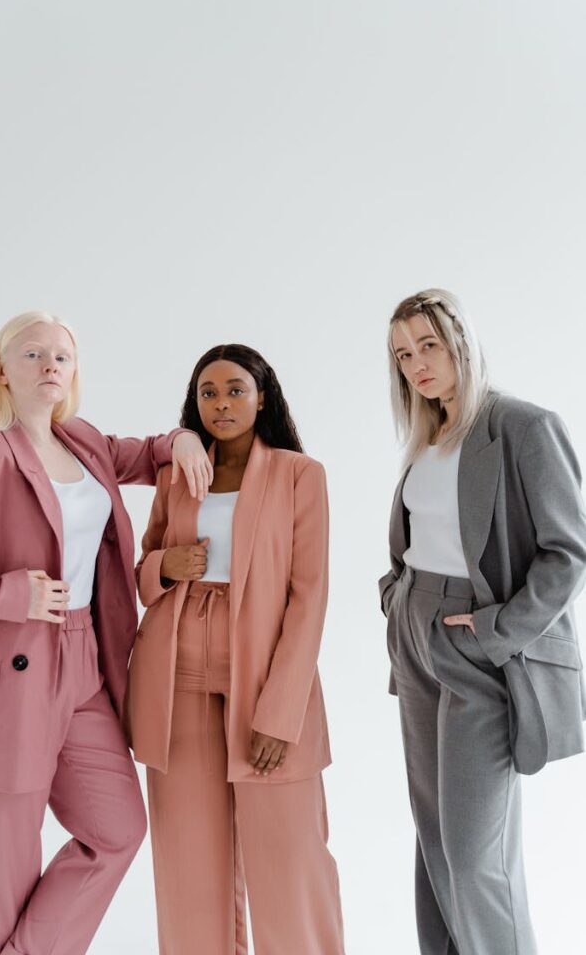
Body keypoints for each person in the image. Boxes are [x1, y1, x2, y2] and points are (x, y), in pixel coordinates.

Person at [0, 310, 212, 955]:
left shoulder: (85, 443)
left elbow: (149, 453)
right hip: (2, 679)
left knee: (117, 830)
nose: (50, 365)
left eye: (62, 357)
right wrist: (7, 596)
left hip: (84, 664)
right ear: (3, 371)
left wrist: (183, 437)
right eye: (33, 354)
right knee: (3, 881)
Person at [379, 288, 586, 955]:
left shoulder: (523, 427)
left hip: (477, 640)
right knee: (436, 843)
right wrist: (394, 598)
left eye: (428, 345)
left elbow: (567, 552)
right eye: (402, 354)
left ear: (461, 342)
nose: (416, 364)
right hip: (415, 635)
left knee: (475, 857)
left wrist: (500, 631)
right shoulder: (427, 436)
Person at [125, 343, 345, 955]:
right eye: (209, 392)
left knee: (289, 860)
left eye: (235, 390)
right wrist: (165, 566)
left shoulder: (300, 475)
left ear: (262, 397)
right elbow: (142, 573)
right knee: (188, 865)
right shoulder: (176, 477)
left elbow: (309, 598)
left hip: (265, 676)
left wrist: (281, 713)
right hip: (176, 674)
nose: (221, 403)